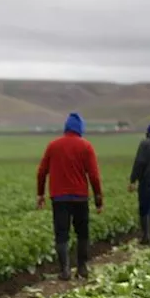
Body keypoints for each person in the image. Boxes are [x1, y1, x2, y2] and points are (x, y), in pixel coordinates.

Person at [36, 112, 104, 280]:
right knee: (82, 233)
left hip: (59, 198)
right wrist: (98, 199)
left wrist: (40, 194)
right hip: (80, 197)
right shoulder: (86, 146)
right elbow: (94, 176)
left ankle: (64, 270)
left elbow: (41, 172)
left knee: (61, 233)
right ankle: (82, 268)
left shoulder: (53, 146)